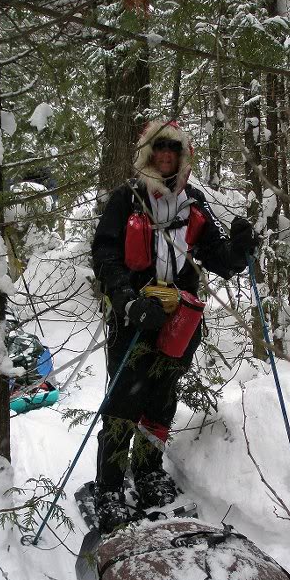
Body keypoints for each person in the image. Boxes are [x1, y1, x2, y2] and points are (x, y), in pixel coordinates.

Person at [91, 119, 258, 533]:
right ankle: (109, 485)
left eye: (174, 150)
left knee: (162, 396)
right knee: (124, 399)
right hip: (135, 315)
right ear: (148, 153)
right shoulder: (125, 200)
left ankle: (147, 471)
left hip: (179, 317)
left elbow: (218, 258)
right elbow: (105, 255)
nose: (166, 156)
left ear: (184, 156)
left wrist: (239, 251)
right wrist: (127, 301)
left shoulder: (194, 203)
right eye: (159, 149)